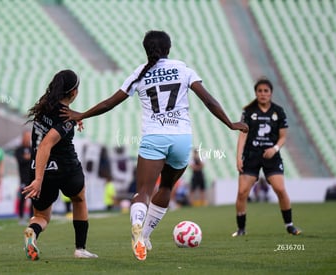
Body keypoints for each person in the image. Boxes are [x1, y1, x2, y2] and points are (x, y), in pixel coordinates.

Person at [61, 30, 248, 261]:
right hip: (181, 138)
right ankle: (146, 236)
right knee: (167, 187)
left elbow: (110, 103)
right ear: (168, 49)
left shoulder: (139, 73)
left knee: (143, 192)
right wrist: (230, 123)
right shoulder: (182, 68)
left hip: (154, 138)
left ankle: (138, 227)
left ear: (146, 49)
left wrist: (82, 114)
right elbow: (208, 100)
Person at [22, 69, 98, 260]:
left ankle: (32, 232)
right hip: (65, 168)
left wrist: (38, 177)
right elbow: (47, 144)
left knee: (41, 216)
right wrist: (38, 180)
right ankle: (80, 249)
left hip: (37, 167)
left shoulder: (43, 106)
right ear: (73, 93)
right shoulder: (66, 119)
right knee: (79, 199)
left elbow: (47, 132)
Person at [233, 77, 301, 237]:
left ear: (271, 93)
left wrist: (275, 148)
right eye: (260, 91)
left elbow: (283, 136)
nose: (263, 94)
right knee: (242, 192)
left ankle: (289, 225)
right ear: (256, 93)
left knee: (280, 189)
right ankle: (241, 229)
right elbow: (242, 136)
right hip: (251, 155)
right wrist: (238, 157)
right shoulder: (248, 112)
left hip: (272, 156)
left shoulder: (279, 111)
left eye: (266, 91)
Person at [15, 130, 33, 225]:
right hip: (23, 177)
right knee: (23, 197)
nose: (27, 138)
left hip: (32, 177)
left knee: (33, 198)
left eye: (29, 136)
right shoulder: (19, 150)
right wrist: (27, 158)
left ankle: (31, 216)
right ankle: (21, 217)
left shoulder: (32, 148)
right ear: (23, 137)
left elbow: (34, 159)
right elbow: (20, 160)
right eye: (26, 136)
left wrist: (28, 157)